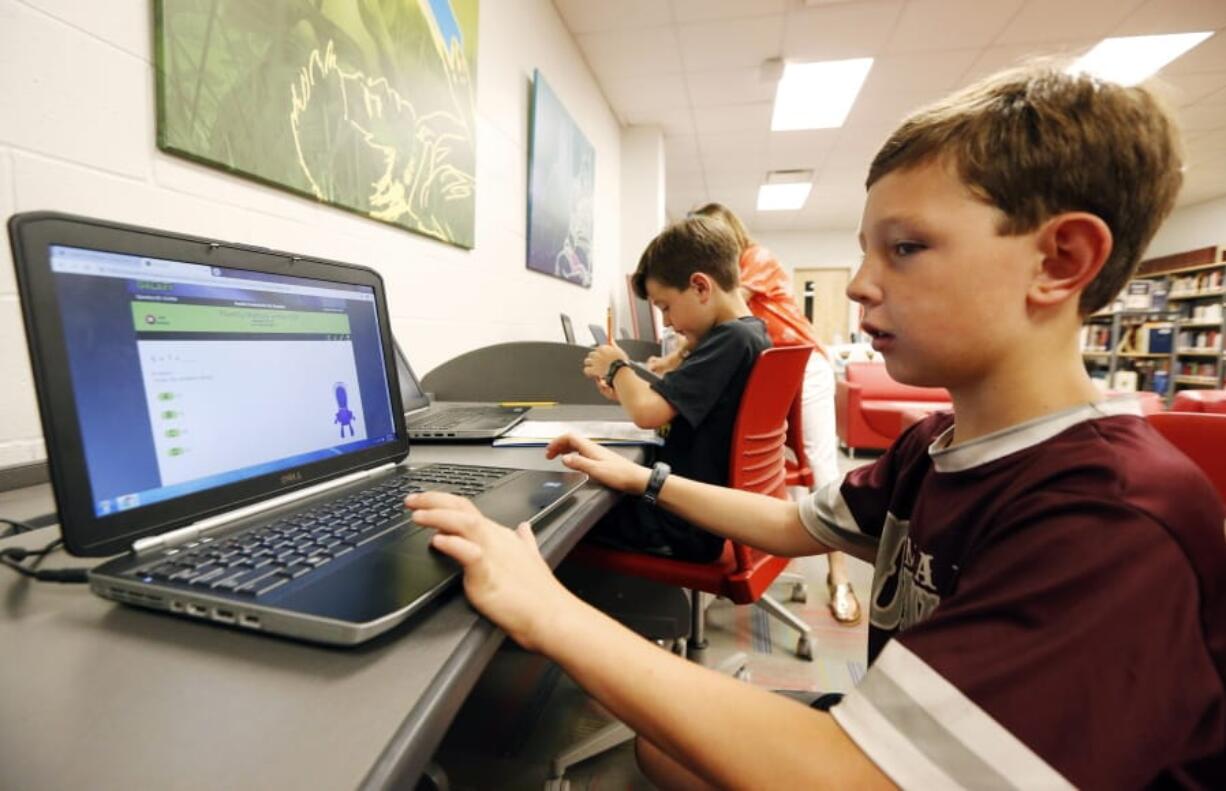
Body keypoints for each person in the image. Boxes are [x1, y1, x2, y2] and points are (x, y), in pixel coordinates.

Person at [407, 64, 1226, 788]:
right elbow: (794, 522)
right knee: (665, 755)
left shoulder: (1111, 516)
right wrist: (641, 476)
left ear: (1061, 261)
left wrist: (549, 612)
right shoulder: (935, 446)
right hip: (917, 722)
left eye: (905, 248)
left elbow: (856, 777)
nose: (863, 285)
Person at [690, 201, 863, 625]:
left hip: (802, 368)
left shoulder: (756, 260)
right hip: (763, 372)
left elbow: (723, 306)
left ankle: (840, 576)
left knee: (820, 463)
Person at [580, 215, 770, 562]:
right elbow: (677, 406)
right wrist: (624, 388)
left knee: (566, 513)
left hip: (679, 523)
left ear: (700, 287)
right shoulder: (752, 333)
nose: (666, 321)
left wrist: (618, 366)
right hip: (697, 514)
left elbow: (648, 414)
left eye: (666, 307)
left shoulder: (730, 338)